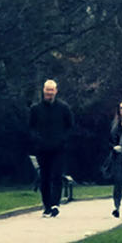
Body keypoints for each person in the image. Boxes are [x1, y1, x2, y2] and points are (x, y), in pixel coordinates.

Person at [27, 79, 73, 216]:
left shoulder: (64, 108)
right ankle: (46, 205)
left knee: (57, 176)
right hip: (42, 149)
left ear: (56, 91)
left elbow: (70, 126)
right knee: (45, 177)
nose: (49, 93)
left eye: (52, 90)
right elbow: (31, 127)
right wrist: (37, 140)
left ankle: (55, 204)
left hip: (58, 148)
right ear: (43, 90)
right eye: (47, 90)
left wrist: (63, 140)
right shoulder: (36, 109)